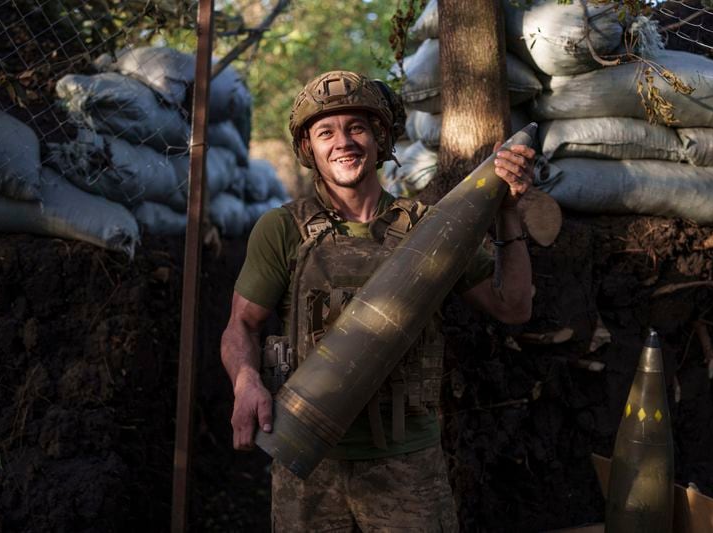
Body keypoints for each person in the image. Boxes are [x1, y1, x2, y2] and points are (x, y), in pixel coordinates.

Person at [221, 70, 535, 531]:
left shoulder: (431, 227)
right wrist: (245, 379)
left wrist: (507, 212)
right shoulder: (282, 229)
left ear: (381, 138)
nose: (343, 142)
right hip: (307, 462)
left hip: (408, 464)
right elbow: (241, 326)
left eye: (357, 128)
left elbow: (514, 307)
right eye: (326, 132)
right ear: (309, 149)